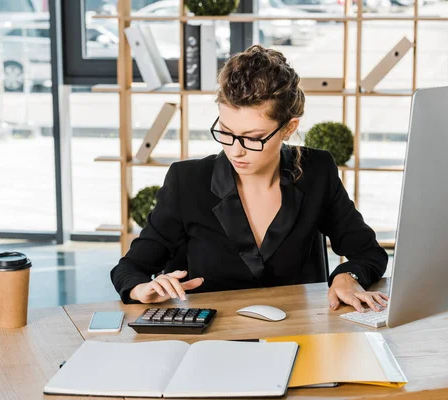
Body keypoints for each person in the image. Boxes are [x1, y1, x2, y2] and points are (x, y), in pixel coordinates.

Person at [110, 45, 388, 313]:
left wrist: (347, 275)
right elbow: (130, 268)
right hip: (213, 340)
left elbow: (369, 253)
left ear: (289, 128)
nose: (235, 150)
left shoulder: (317, 171)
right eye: (226, 132)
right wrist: (140, 288)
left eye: (253, 138)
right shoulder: (187, 181)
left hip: (299, 334)